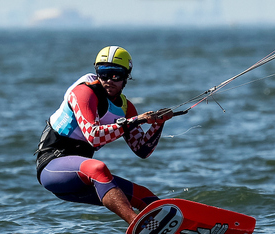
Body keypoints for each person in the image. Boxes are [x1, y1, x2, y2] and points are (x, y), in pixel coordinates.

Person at [35, 46, 173, 224]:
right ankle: (139, 225)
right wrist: (136, 121)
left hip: (84, 177)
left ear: (126, 77)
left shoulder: (126, 108)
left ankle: (182, 227)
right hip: (52, 167)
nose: (109, 80)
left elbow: (142, 149)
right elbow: (93, 136)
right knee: (97, 168)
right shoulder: (83, 92)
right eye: (103, 73)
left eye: (115, 75)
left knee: (146, 197)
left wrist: (158, 124)